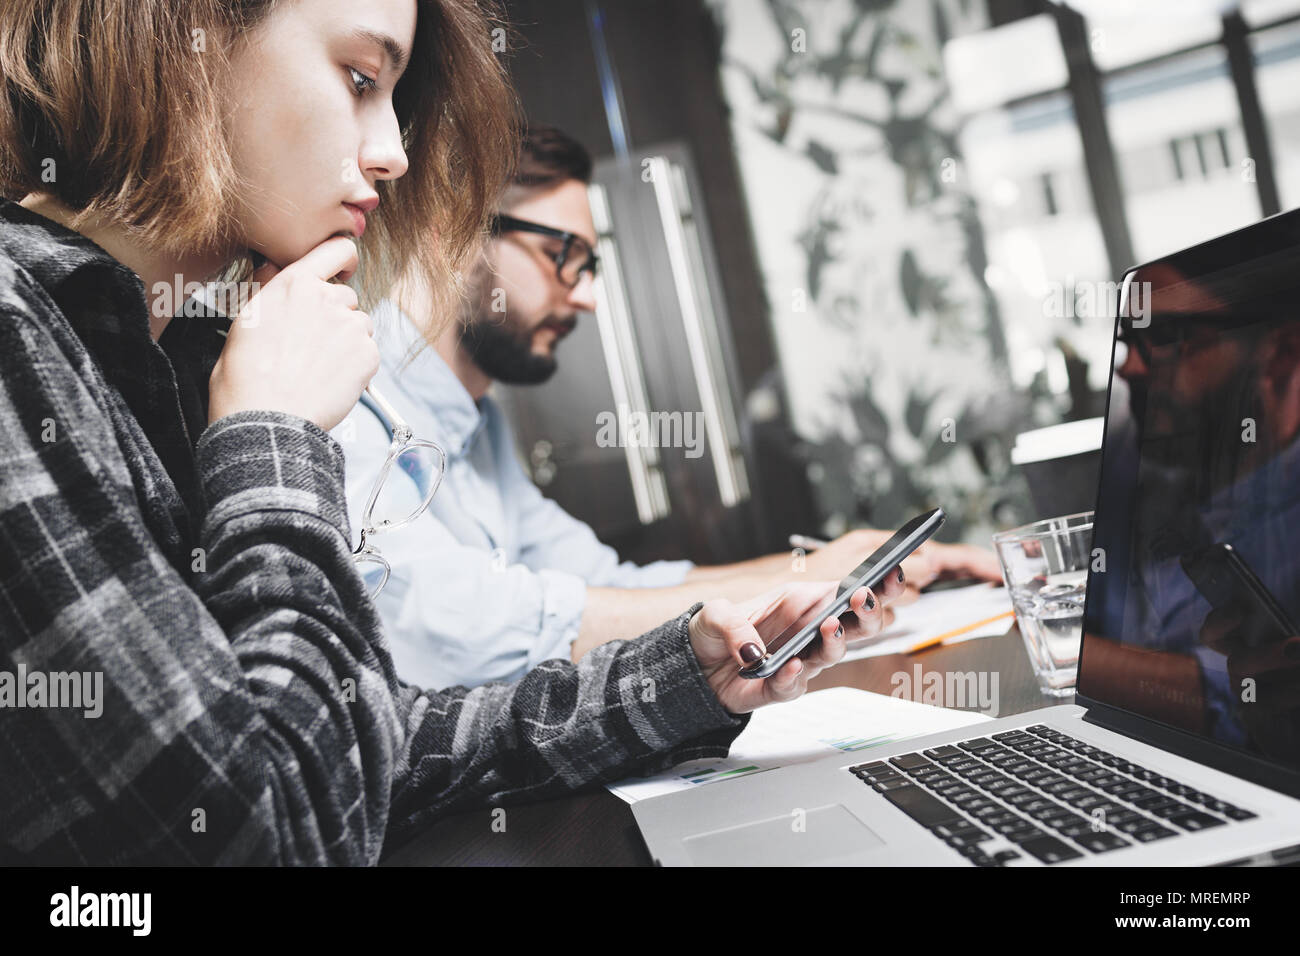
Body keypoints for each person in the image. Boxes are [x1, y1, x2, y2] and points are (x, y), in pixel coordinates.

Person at [0, 0, 899, 865]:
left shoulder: (177, 355)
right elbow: (261, 835)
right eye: (359, 77)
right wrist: (271, 436)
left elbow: (373, 743)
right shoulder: (22, 343)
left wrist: (683, 683)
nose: (392, 154)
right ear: (182, 41)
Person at [338, 124, 1001, 689]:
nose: (589, 297)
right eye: (563, 255)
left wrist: (825, 565)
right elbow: (474, 629)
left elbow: (604, 583)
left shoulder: (478, 427)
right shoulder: (349, 402)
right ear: (450, 232)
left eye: (591, 264)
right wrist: (808, 579)